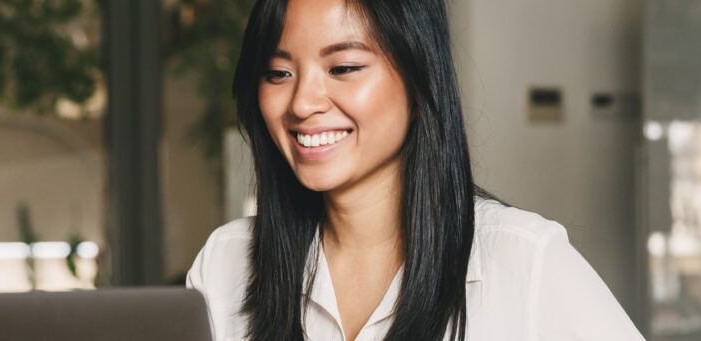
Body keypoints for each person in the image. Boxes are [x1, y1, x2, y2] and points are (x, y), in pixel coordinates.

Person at [187, 0, 645, 340]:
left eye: (343, 67)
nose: (304, 102)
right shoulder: (225, 261)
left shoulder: (524, 260)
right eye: (278, 74)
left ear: (418, 72)